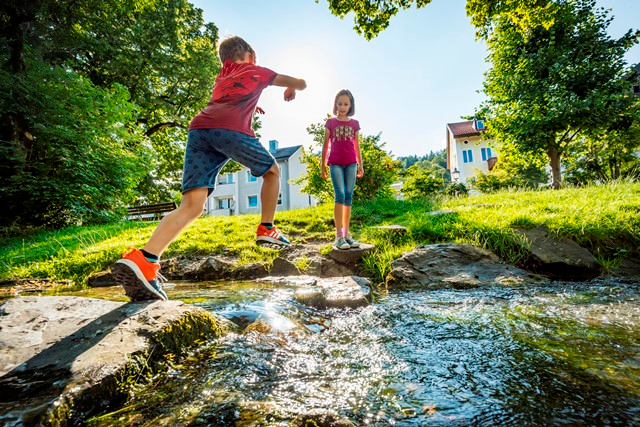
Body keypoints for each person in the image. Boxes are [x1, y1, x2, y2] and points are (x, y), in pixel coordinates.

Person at [111, 35, 307, 301]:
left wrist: (253, 103)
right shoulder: (256, 71)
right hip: (229, 130)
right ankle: (267, 228)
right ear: (249, 55)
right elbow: (301, 82)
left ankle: (145, 259)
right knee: (272, 171)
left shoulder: (221, 79)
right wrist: (290, 89)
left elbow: (230, 98)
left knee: (192, 206)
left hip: (200, 131)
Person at [320, 89, 364, 250]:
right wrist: (322, 166)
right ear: (335, 104)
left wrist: (361, 165)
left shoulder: (354, 124)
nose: (343, 107)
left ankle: (347, 235)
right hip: (335, 164)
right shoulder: (330, 122)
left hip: (351, 164)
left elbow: (357, 146)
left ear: (350, 105)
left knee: (348, 197)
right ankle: (339, 237)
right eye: (340, 103)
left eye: (346, 104)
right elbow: (325, 144)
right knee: (340, 195)